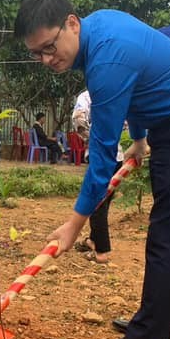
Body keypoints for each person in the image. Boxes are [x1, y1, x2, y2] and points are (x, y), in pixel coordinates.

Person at [14, 0, 170, 339]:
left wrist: (75, 224)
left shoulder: (107, 61)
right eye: (37, 53)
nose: (46, 59)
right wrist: (141, 138)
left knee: (167, 232)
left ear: (72, 24)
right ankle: (167, 320)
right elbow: (141, 89)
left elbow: (101, 157)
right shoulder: (101, 29)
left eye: (49, 47)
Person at [71, 93, 120, 264]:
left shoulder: (86, 96)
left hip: (100, 155)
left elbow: (78, 121)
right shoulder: (121, 91)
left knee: (97, 203)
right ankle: (93, 240)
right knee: (105, 200)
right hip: (122, 155)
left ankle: (102, 251)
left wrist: (95, 140)